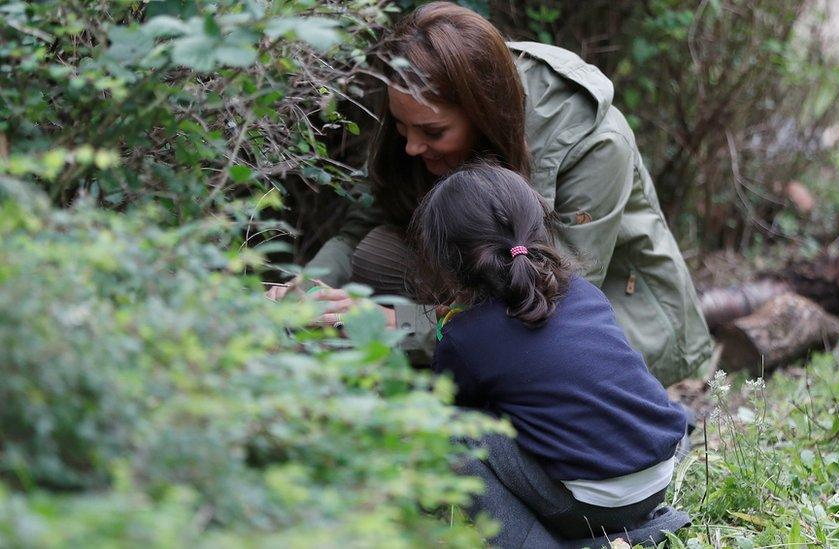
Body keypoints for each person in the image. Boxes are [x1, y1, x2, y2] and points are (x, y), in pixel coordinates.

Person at [268, 1, 712, 387]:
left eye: (432, 132)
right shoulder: (422, 109)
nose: (411, 147)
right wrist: (308, 288)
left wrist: (392, 324)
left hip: (598, 315)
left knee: (527, 341)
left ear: (483, 114)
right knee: (376, 252)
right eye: (401, 128)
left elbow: (552, 303)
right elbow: (363, 224)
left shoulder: (590, 143)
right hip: (493, 291)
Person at [410, 163, 690, 546]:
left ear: (447, 260)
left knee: (449, 432)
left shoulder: (464, 337)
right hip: (657, 475)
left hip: (591, 502)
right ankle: (636, 530)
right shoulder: (584, 292)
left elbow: (452, 410)